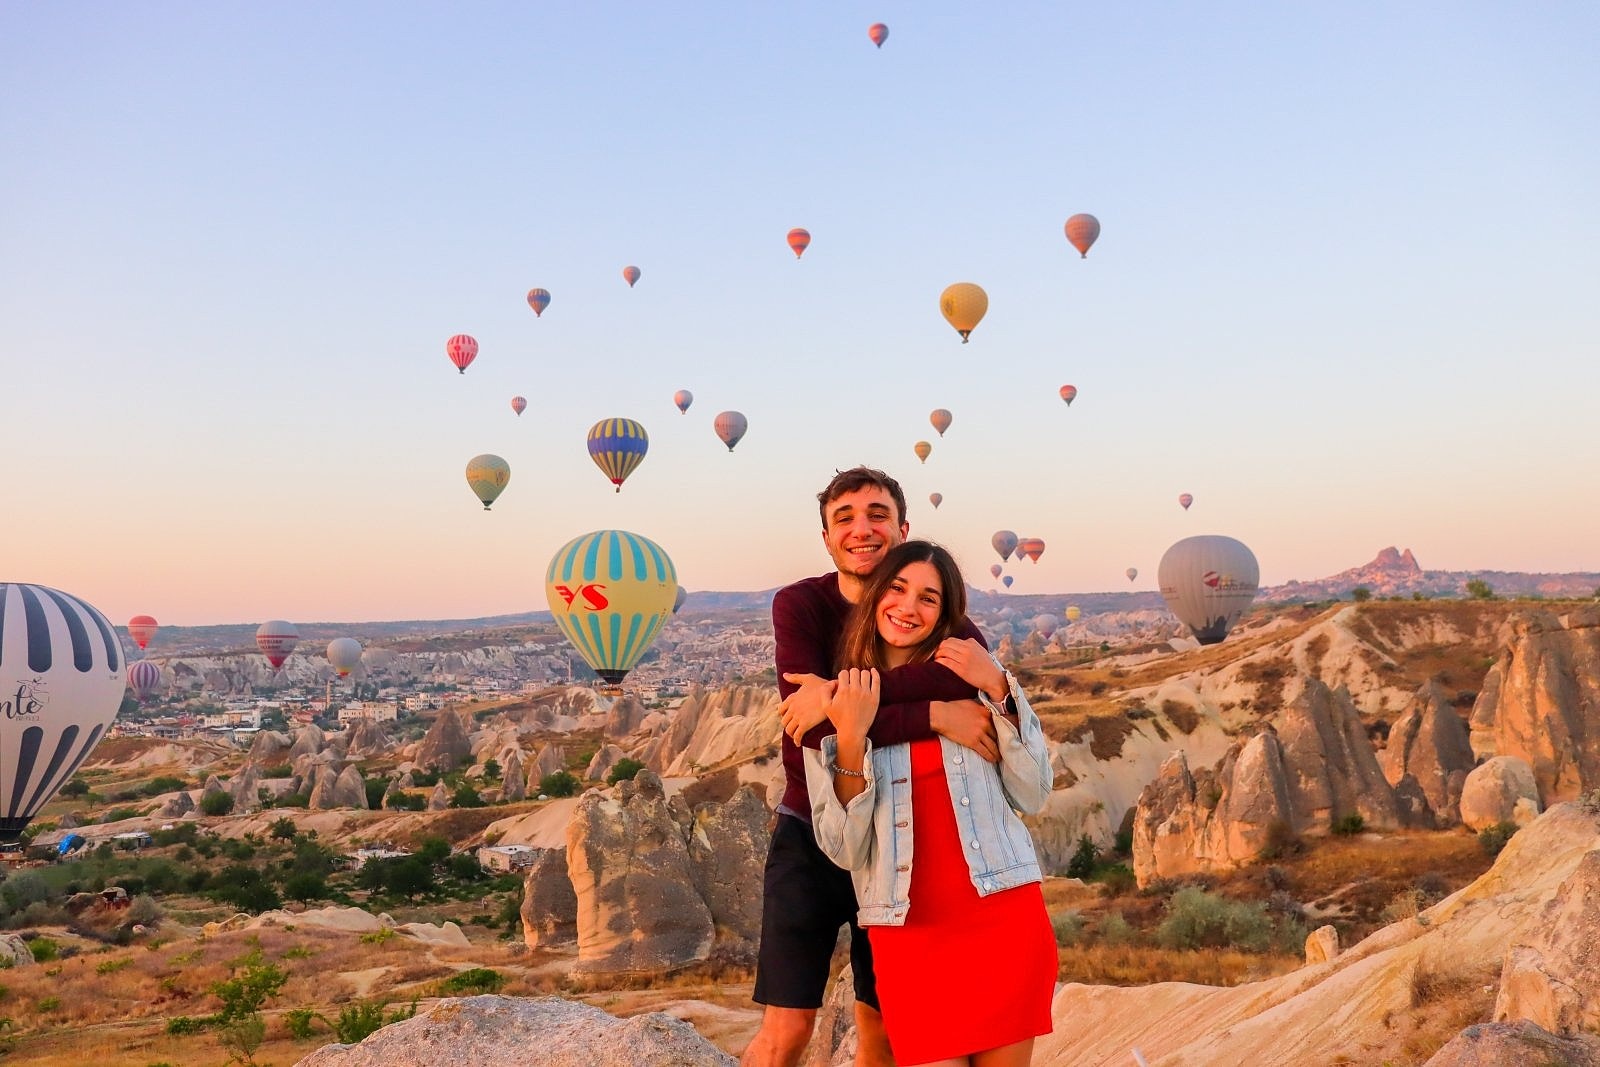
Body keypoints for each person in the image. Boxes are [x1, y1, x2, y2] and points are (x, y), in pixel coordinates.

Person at [742, 467, 1002, 1067]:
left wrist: (843, 698)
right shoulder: (800, 605)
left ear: (903, 530)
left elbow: (965, 678)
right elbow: (815, 730)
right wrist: (933, 714)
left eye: (878, 515)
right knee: (787, 1032)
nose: (862, 529)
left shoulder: (936, 614)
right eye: (845, 518)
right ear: (827, 538)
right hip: (812, 829)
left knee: (882, 1029)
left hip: (896, 842)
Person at [804, 540, 1056, 1067]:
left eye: (928, 598)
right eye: (896, 589)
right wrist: (850, 737)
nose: (908, 607)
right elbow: (844, 848)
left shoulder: (975, 685)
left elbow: (1033, 792)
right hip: (910, 933)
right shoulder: (834, 703)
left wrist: (998, 687)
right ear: (876, 595)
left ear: (945, 614)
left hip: (1002, 916)